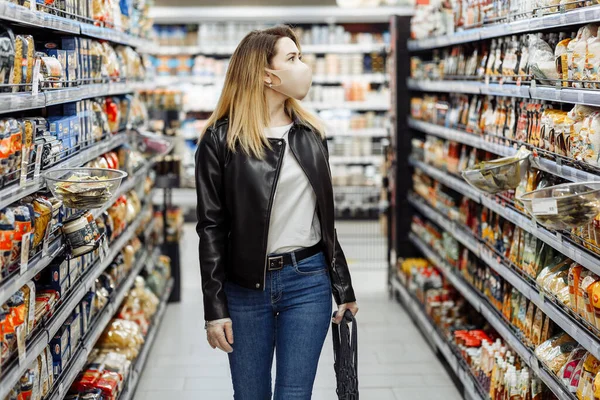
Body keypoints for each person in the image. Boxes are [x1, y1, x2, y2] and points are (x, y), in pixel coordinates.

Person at [194, 25, 359, 400]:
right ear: (267, 75)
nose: (304, 66)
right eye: (292, 58)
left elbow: (325, 223)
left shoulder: (310, 135)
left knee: (295, 394)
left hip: (309, 282)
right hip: (245, 288)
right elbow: (211, 229)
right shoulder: (221, 140)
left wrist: (343, 287)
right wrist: (214, 309)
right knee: (250, 395)